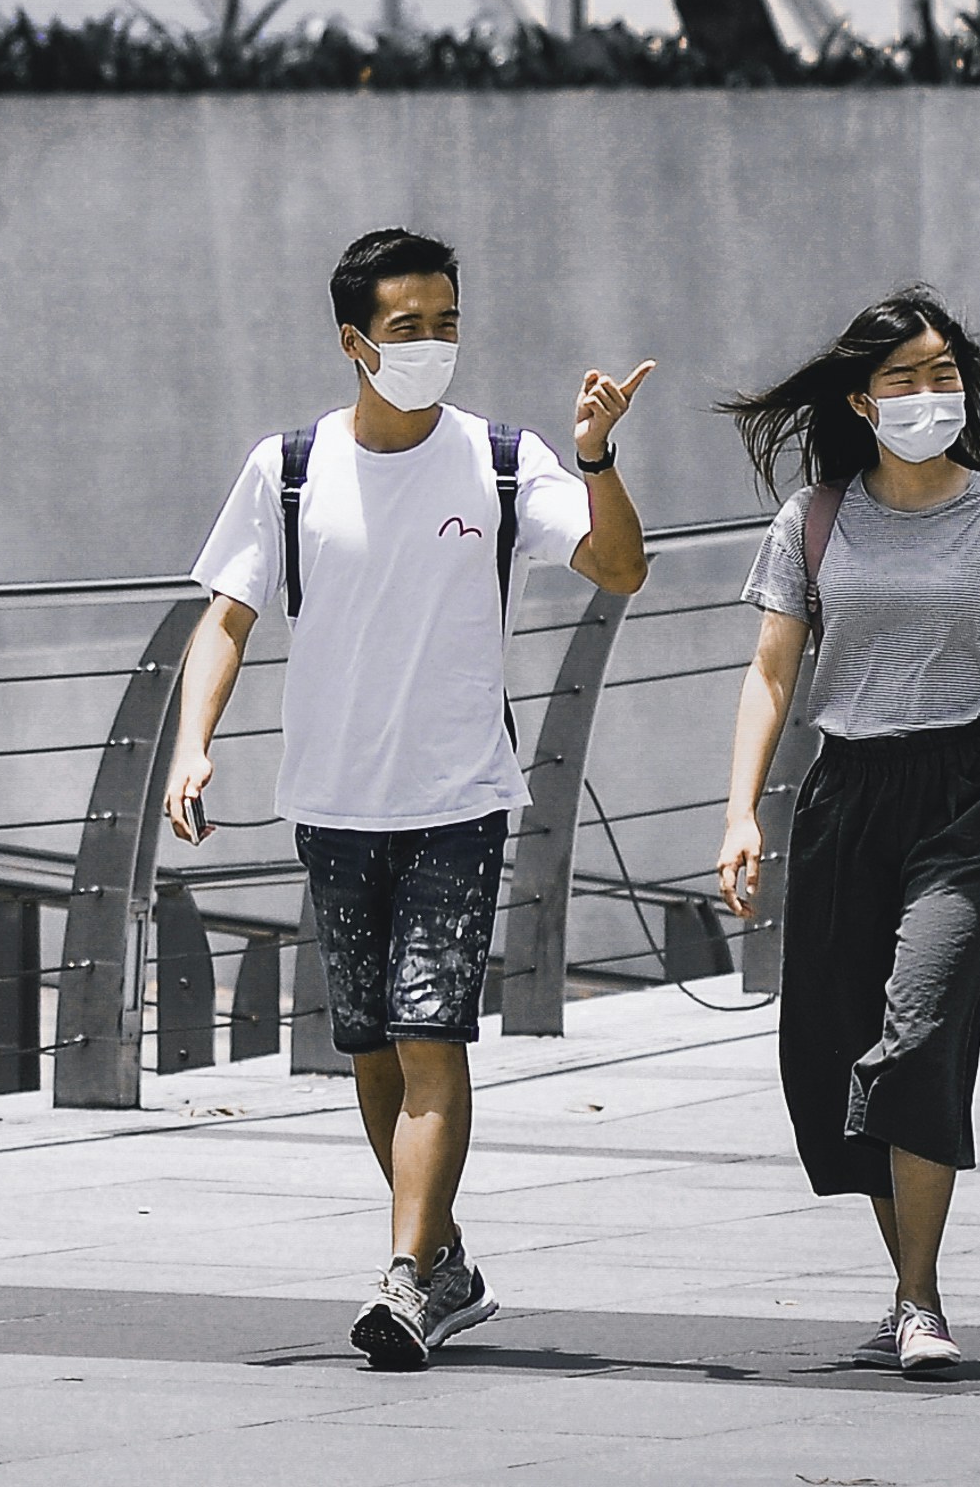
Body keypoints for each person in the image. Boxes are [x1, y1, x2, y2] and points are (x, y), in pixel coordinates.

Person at [165, 227, 652, 1371]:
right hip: (333, 802)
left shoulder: (501, 460)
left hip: (457, 799)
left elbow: (621, 568)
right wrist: (192, 745)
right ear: (355, 341)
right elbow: (226, 615)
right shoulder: (289, 468)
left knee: (431, 1034)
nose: (433, 343)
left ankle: (400, 1280)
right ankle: (445, 1262)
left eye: (447, 322)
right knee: (374, 1050)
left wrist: (596, 459)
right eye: (407, 326)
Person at [714, 286, 980, 1381]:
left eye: (944, 375)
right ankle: (905, 1286)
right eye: (904, 378)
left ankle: (920, 1299)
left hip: (968, 792)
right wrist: (740, 810)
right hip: (847, 794)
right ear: (860, 399)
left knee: (919, 1031)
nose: (930, 395)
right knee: (838, 1051)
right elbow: (772, 673)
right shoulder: (814, 520)